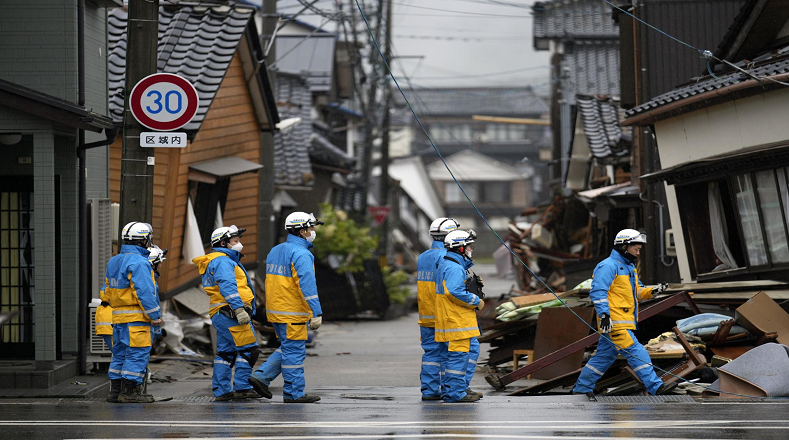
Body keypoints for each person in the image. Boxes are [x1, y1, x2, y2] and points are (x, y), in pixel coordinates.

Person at [572, 229, 674, 397]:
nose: (638, 252)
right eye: (636, 248)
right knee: (636, 351)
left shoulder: (628, 267)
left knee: (604, 357)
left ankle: (582, 389)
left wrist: (653, 290)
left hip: (623, 321)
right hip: (614, 322)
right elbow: (598, 292)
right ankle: (655, 386)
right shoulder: (608, 266)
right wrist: (605, 315)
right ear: (624, 246)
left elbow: (638, 291)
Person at [249, 212, 324, 403]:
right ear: (302, 230)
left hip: (276, 312)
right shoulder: (302, 254)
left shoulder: (276, 250)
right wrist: (316, 311)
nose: (313, 231)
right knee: (295, 353)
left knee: (288, 348)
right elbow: (307, 285)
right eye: (311, 228)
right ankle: (294, 393)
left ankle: (262, 377)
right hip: (293, 312)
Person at [192, 225, 260, 401]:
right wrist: (238, 308)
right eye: (236, 241)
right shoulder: (223, 261)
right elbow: (228, 286)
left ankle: (222, 390)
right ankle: (243, 388)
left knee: (226, 354)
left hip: (222, 312)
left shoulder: (217, 260)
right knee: (248, 350)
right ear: (223, 243)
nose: (240, 244)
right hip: (231, 312)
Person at [104, 222, 162, 403]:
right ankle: (130, 393)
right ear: (144, 240)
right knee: (136, 354)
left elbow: (107, 290)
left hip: (118, 318)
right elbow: (144, 292)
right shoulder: (139, 262)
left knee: (120, 355)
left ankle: (115, 392)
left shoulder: (114, 260)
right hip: (137, 319)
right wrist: (155, 316)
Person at [435, 229, 484, 403]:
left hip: (457, 320)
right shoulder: (454, 267)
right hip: (457, 321)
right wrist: (476, 300)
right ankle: (454, 393)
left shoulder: (449, 264)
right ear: (460, 248)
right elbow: (454, 291)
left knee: (470, 351)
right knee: (458, 357)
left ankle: (460, 388)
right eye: (469, 246)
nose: (471, 249)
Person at [417, 217, 460, 401]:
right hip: (443, 315)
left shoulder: (423, 256)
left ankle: (429, 390)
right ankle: (451, 389)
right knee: (451, 354)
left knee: (431, 354)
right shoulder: (447, 258)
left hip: (426, 315)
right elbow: (452, 289)